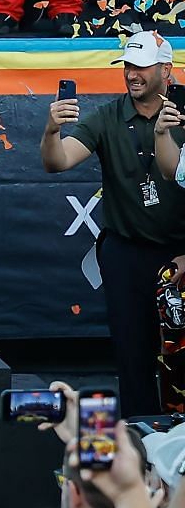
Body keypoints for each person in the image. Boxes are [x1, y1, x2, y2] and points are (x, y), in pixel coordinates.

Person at [50, 31, 185, 416]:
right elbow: (57, 161)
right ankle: (141, 446)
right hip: (126, 252)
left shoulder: (184, 107)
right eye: (128, 65)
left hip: (179, 253)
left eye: (141, 66)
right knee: (132, 357)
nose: (132, 74)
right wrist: (51, 130)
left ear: (165, 69)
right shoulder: (107, 117)